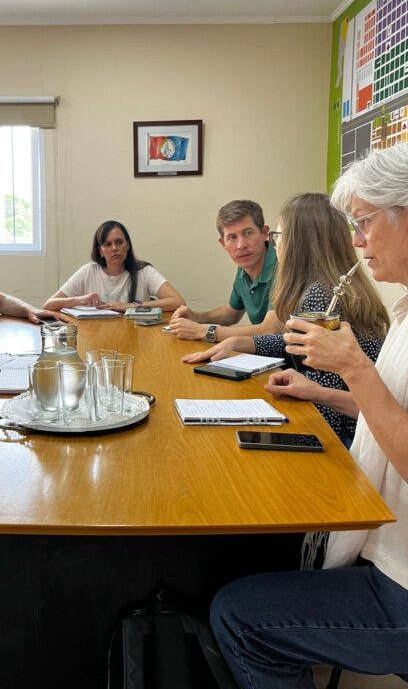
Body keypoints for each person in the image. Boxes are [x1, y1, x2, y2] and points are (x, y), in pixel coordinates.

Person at [209, 144, 408, 687]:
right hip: (385, 546)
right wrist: (320, 389)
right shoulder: (402, 310)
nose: (357, 240)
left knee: (239, 617)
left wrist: (353, 369)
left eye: (364, 222)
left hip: (399, 576)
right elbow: (385, 413)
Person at [183, 193, 389, 446]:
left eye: (279, 236)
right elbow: (299, 343)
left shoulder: (320, 295)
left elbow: (326, 393)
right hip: (356, 426)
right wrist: (242, 342)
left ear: (300, 243)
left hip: (350, 436)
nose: (275, 243)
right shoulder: (322, 286)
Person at [169, 199, 280, 343]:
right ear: (223, 243)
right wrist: (196, 317)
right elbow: (230, 314)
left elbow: (270, 330)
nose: (240, 245)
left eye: (248, 233)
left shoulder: (283, 266)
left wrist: (202, 331)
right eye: (232, 237)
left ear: (264, 233)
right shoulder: (244, 267)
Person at [43, 219, 185, 312]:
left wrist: (129, 306)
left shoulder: (144, 272)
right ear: (100, 251)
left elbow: (178, 302)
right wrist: (80, 300)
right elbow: (49, 304)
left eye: (119, 242)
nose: (114, 248)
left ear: (127, 245)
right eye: (107, 244)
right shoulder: (88, 272)